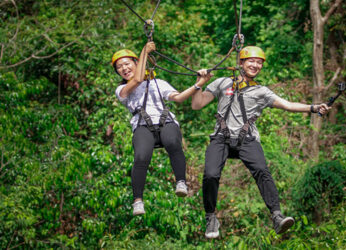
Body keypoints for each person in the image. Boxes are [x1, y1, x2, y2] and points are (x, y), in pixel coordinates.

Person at [191, 46, 331, 238]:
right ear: (240, 63)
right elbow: (197, 104)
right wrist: (200, 84)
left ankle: (276, 215)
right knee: (210, 174)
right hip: (221, 138)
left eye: (259, 62)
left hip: (246, 139)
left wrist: (314, 107)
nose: (256, 65)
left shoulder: (261, 92)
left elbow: (288, 105)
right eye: (252, 61)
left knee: (262, 171)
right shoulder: (222, 82)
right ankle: (211, 217)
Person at [113, 42, 201, 216]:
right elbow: (137, 79)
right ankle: (137, 200)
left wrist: (199, 84)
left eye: (127, 64)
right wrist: (144, 51)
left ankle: (181, 182)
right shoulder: (122, 90)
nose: (124, 68)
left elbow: (179, 98)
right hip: (142, 125)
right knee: (141, 156)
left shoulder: (158, 83)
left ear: (136, 63)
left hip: (165, 121)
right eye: (119, 67)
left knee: (173, 142)